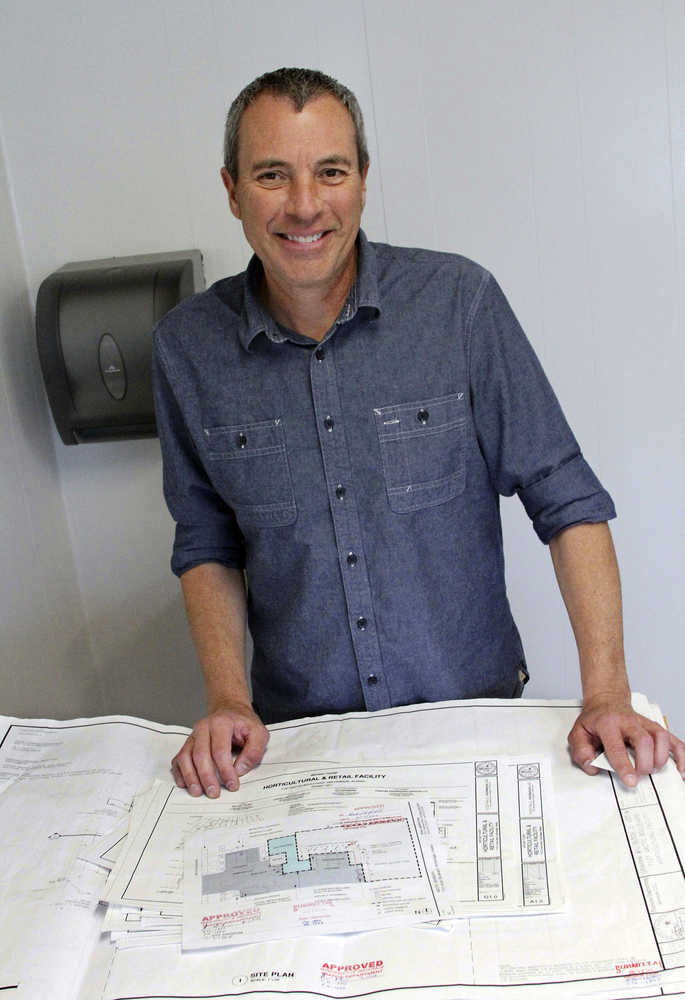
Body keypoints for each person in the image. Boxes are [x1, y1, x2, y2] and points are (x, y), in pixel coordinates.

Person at [152, 67, 685, 799]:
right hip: (302, 747)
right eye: (272, 175)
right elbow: (206, 541)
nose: (305, 206)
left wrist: (606, 695)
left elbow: (565, 499)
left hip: (473, 723)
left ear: (363, 180)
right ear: (232, 189)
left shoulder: (459, 305)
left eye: (330, 171)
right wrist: (227, 700)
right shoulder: (187, 349)